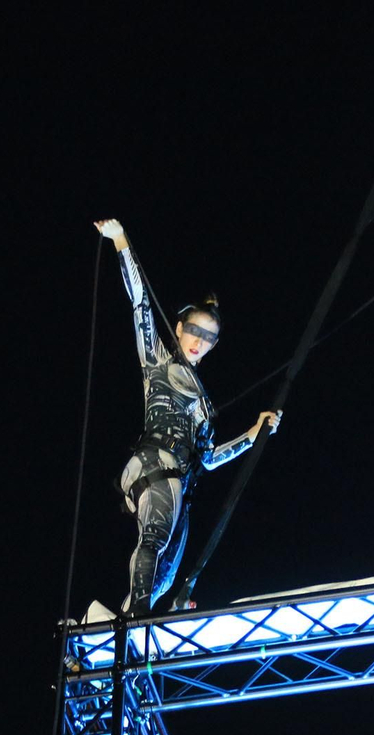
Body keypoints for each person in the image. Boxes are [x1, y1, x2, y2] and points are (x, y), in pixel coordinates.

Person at [94, 218, 280, 615]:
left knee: (164, 578)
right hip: (155, 463)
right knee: (156, 536)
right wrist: (121, 241)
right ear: (179, 328)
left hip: (181, 480)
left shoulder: (206, 407)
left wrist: (253, 433)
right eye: (194, 330)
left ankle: (120, 624)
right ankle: (136, 617)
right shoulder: (159, 363)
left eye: (208, 337)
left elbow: (208, 459)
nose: (199, 341)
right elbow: (140, 306)